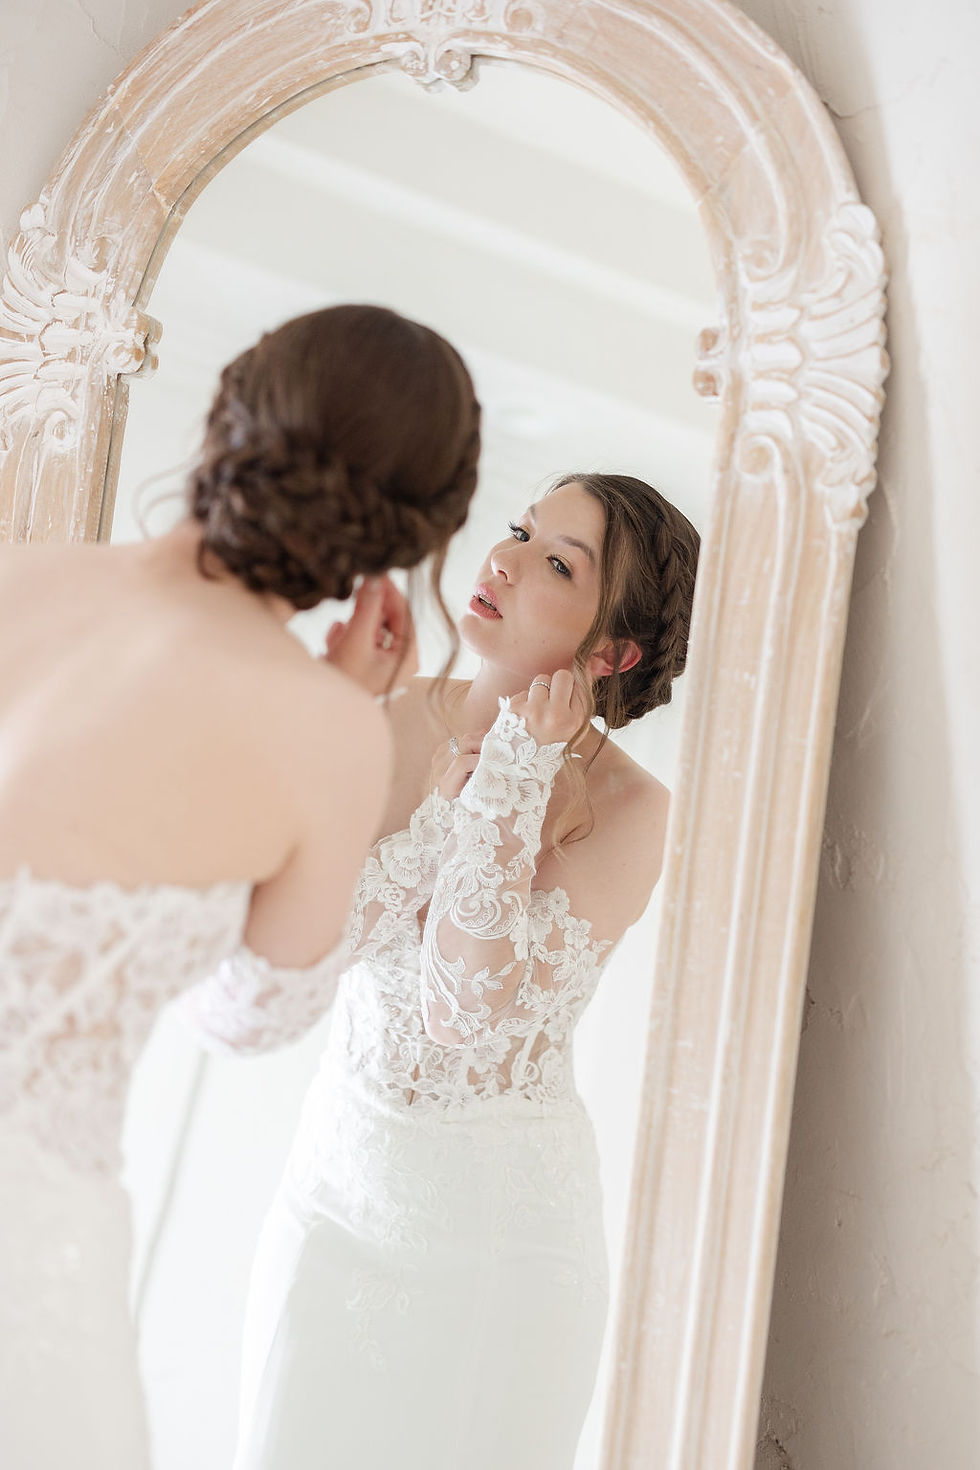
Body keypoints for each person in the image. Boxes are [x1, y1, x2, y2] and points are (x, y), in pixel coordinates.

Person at [0, 303, 481, 1470]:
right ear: (403, 545)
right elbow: (241, 1017)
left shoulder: (18, 575)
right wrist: (351, 720)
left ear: (230, 405)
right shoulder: (329, 739)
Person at [195, 471, 700, 1470]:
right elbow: (302, 953)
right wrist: (380, 767)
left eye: (556, 561)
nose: (503, 559)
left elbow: (463, 1005)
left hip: (500, 1255)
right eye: (518, 530)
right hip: (333, 1202)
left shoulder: (634, 814)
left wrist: (508, 781)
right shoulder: (385, 717)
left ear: (609, 653)